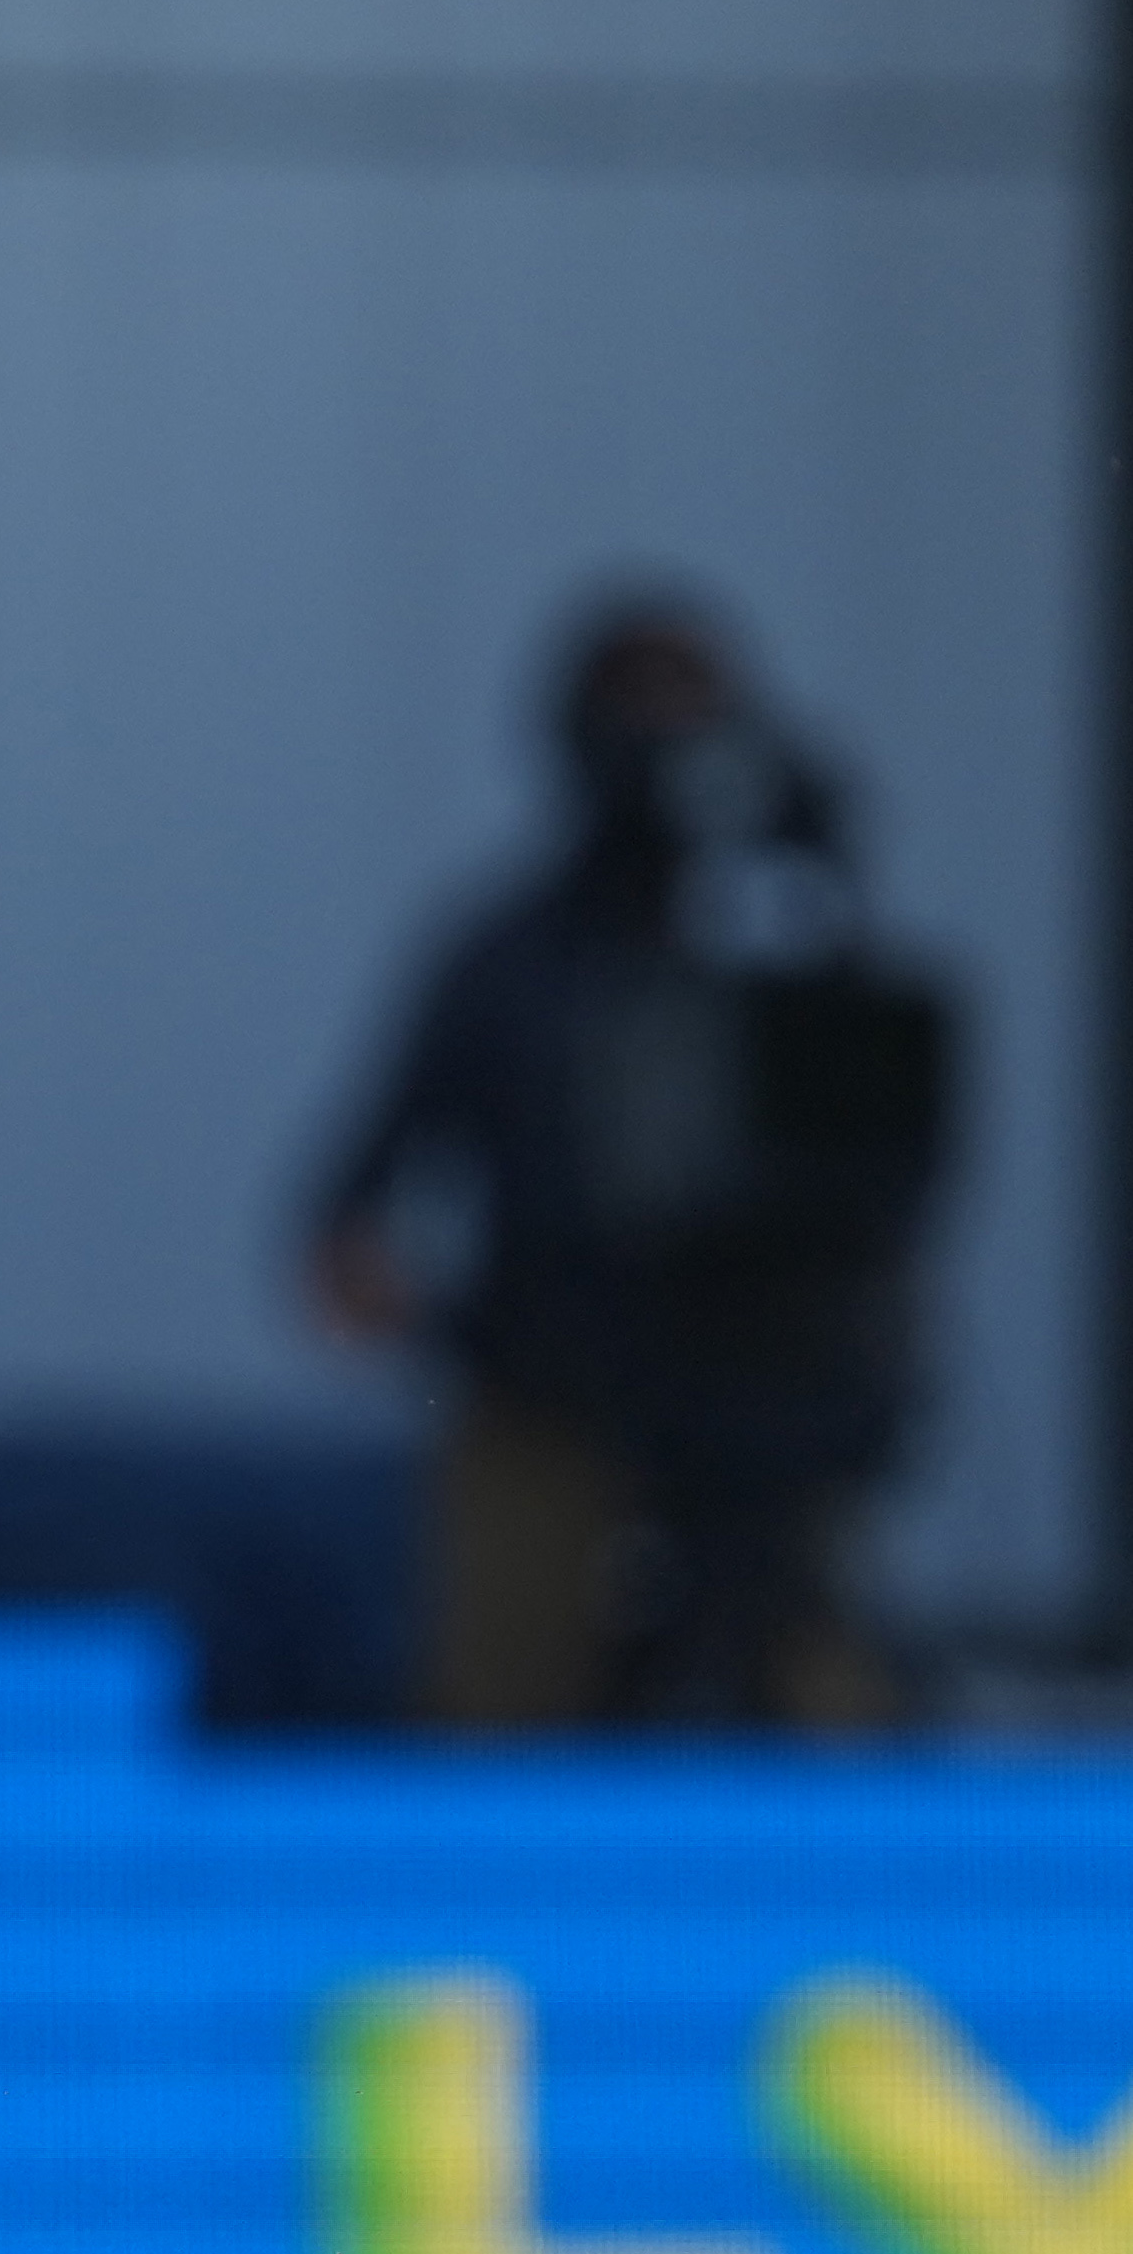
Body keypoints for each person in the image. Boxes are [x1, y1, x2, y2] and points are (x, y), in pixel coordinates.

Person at [307, 589, 957, 1727]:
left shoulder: (799, 943)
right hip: (551, 1396)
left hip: (770, 1409)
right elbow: (348, 1201)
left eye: (690, 707)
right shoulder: (505, 959)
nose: (662, 741)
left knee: (832, 1713)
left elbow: (894, 1160)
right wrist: (384, 1290)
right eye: (633, 707)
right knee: (495, 1719)